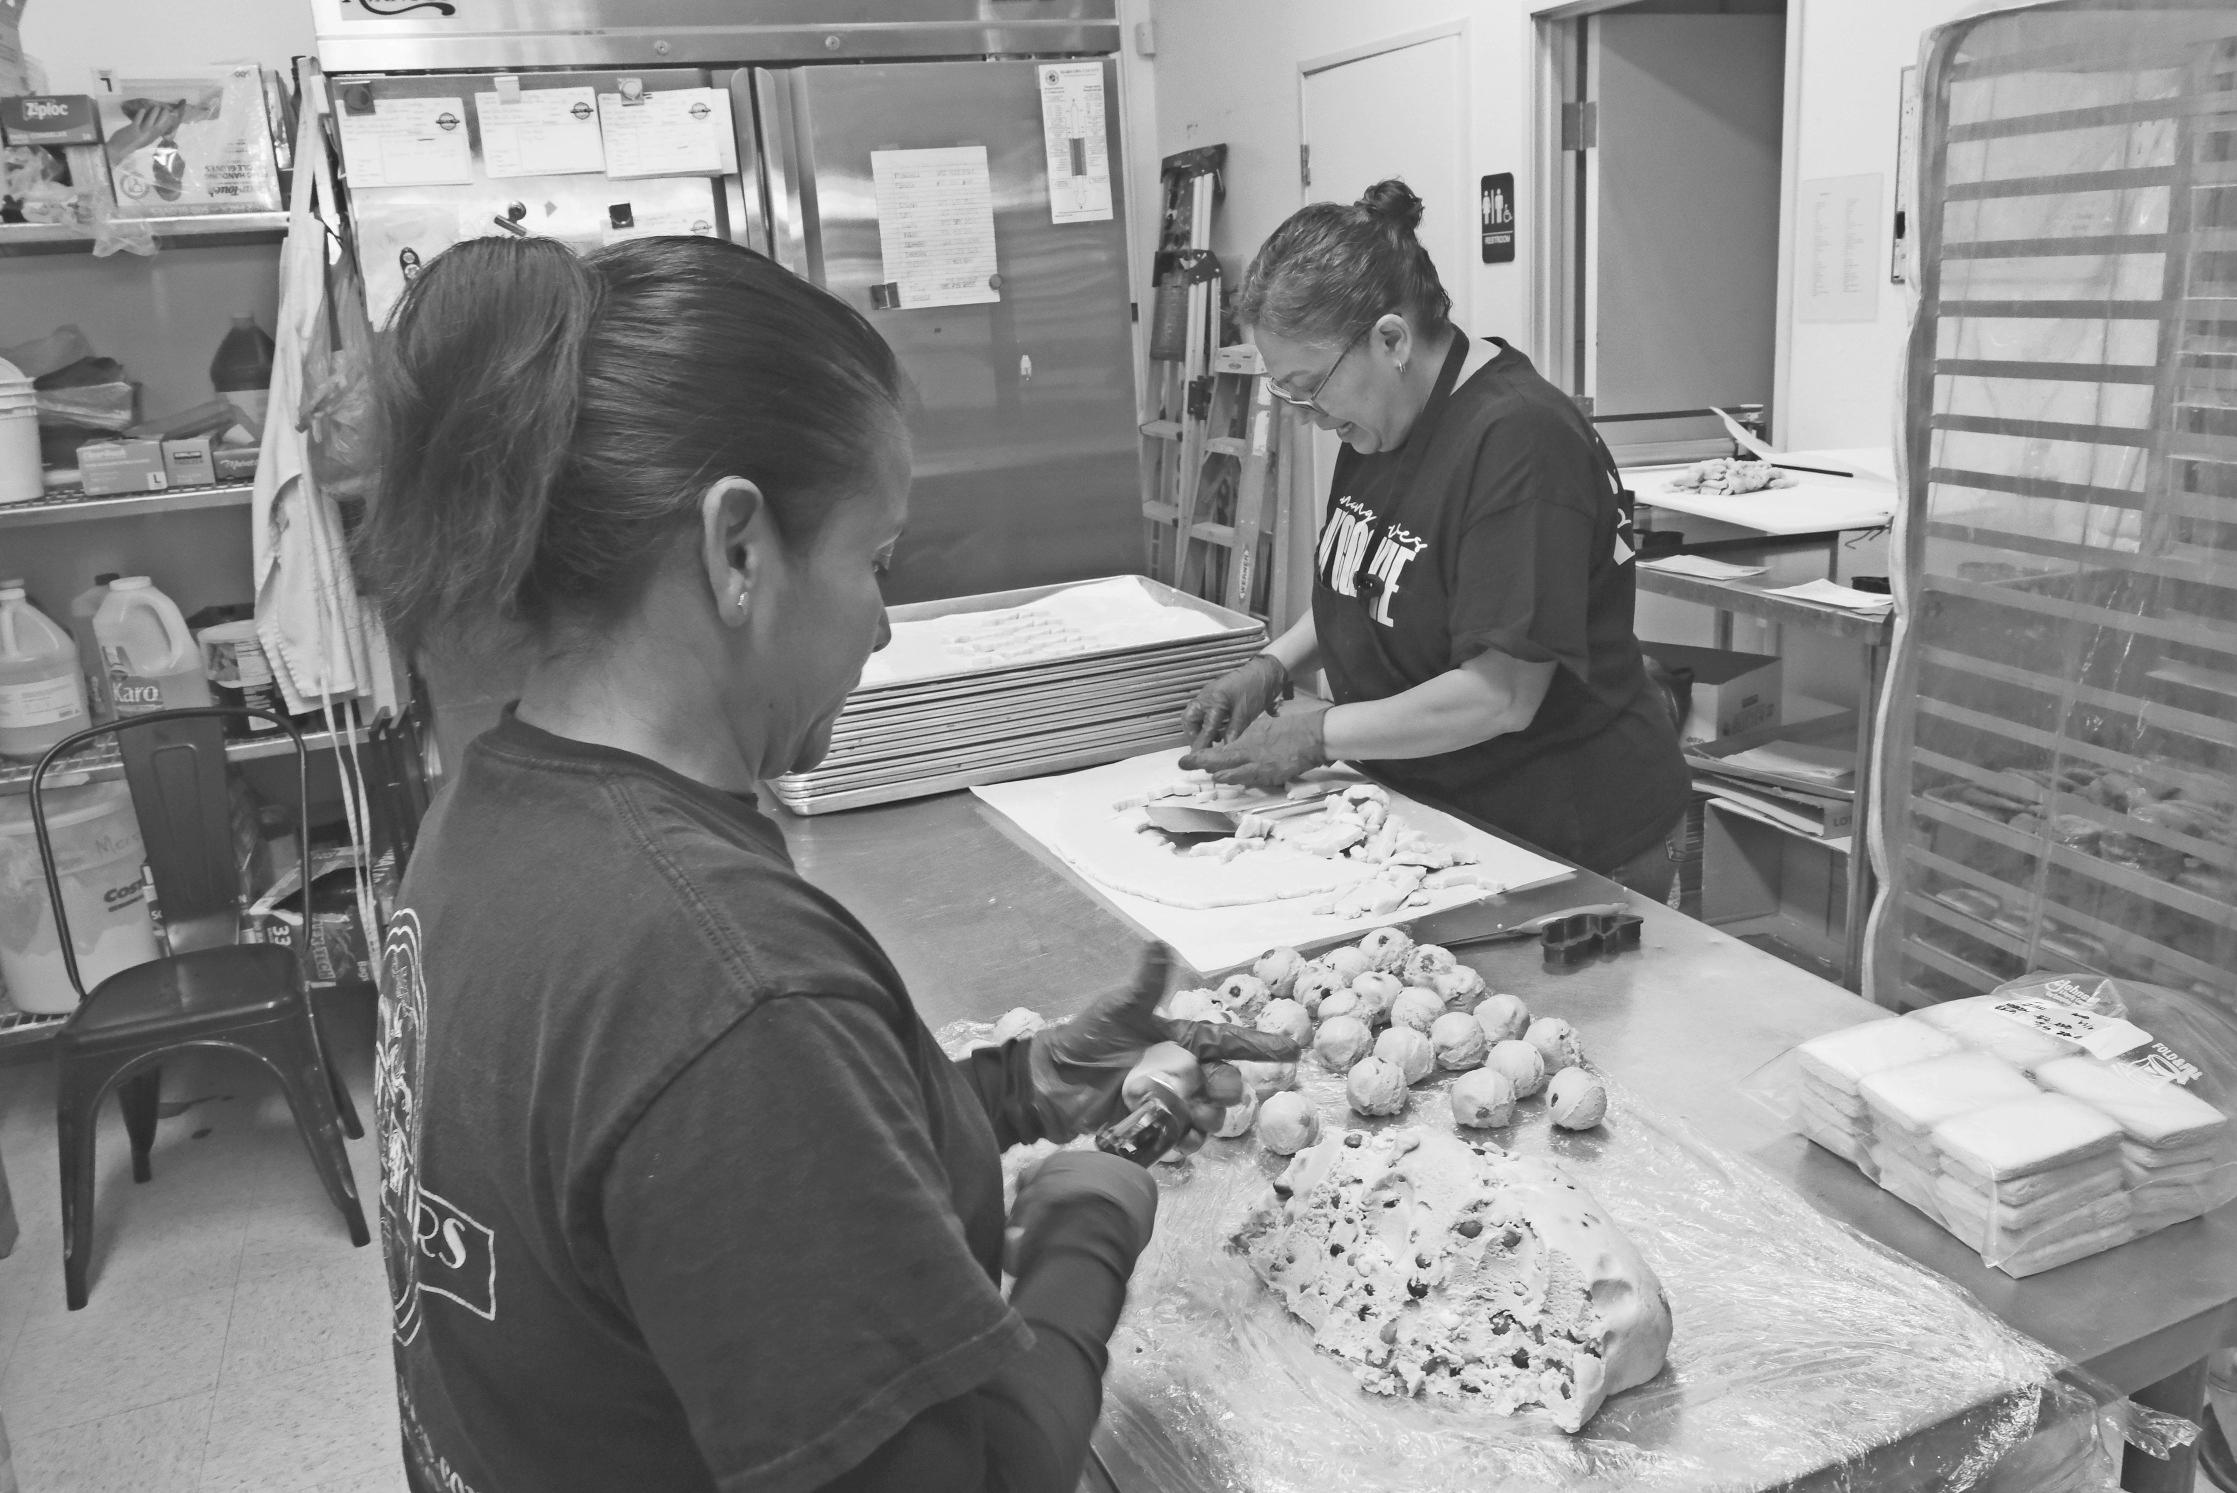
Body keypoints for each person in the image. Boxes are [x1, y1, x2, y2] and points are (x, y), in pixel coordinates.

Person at [356, 234, 1296, 1493]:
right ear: (738, 549)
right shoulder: (723, 977)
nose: (884, 625)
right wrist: (1085, 1219)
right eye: (874, 560)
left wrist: (1018, 1086)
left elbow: (719, 1179)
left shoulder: (489, 808)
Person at [1180, 181, 1690, 899]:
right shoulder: (1382, 417)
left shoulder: (1520, 443)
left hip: (1562, 834)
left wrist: (1317, 733)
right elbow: (1370, 582)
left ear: (1390, 340)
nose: (1304, 413)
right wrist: (1273, 663)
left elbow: (1499, 694)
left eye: (1308, 386)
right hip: (1438, 812)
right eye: (1286, 392)